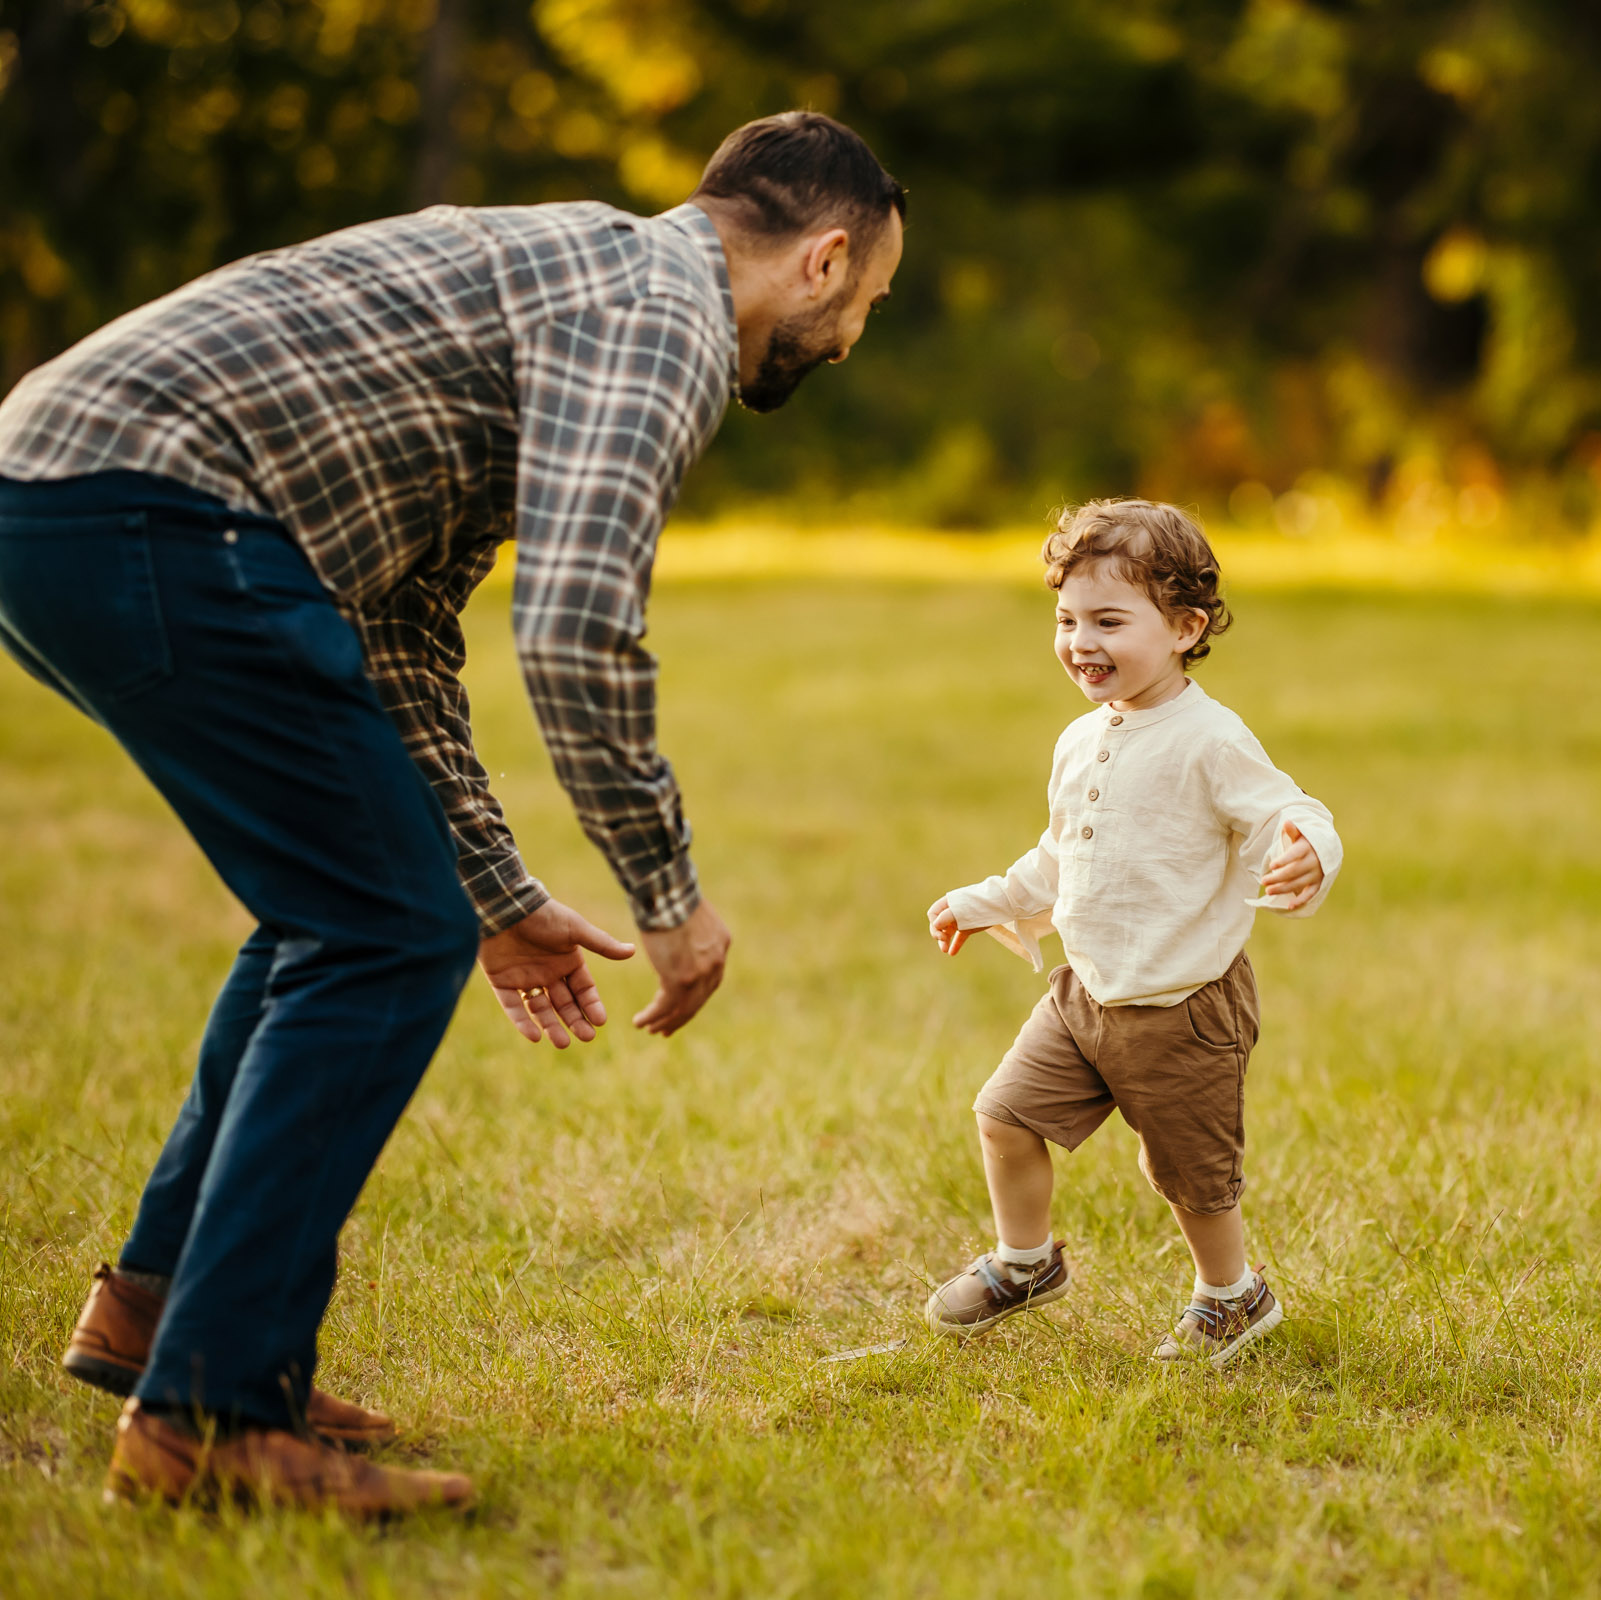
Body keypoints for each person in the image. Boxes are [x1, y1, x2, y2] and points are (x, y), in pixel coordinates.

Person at [0, 111, 904, 1513]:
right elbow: (578, 624)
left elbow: (399, 626)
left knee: (344, 915)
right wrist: (666, 893)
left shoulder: (569, 278)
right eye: (869, 303)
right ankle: (211, 1421)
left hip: (59, 495)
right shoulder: (664, 319)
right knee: (373, 935)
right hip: (147, 503)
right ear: (825, 258)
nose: (852, 341)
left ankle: (162, 1316)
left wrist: (489, 885)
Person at [922, 499, 1342, 1367]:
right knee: (1003, 1114)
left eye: (1110, 621)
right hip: (1085, 994)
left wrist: (1308, 849)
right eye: (1067, 619)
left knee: (1191, 1177)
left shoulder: (1210, 740)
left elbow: (1286, 811)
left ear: (1186, 627)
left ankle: (1232, 1297)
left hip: (1182, 1007)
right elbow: (1064, 852)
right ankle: (1025, 1262)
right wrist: (987, 899)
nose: (1082, 641)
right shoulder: (1081, 738)